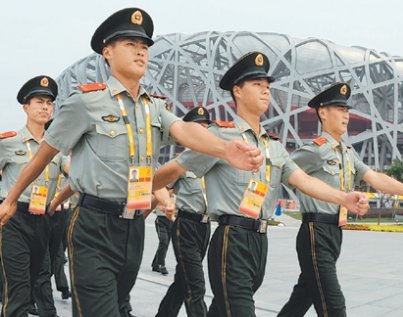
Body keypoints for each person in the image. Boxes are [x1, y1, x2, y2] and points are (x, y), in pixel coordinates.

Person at [0, 8, 263, 317]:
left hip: (133, 227)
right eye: (130, 43)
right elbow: (45, 154)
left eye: (145, 45)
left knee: (120, 306)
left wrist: (223, 149)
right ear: (107, 52)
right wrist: (12, 198)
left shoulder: (154, 108)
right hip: (92, 226)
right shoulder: (85, 102)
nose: (141, 50)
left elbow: (183, 129)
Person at [153, 51, 369, 317]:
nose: (266, 91)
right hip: (232, 240)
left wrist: (343, 198)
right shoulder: (221, 135)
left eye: (268, 86)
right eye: (257, 85)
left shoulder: (274, 146)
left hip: (260, 242)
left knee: (222, 311)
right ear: (238, 91)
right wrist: (143, 192)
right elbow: (173, 170)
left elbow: (303, 180)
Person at [277, 82, 403, 317]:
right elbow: (282, 168)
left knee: (302, 299)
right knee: (334, 304)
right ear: (322, 112)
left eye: (347, 110)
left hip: (334, 233)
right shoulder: (315, 151)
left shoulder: (347, 153)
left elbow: (375, 177)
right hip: (315, 232)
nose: (346, 115)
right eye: (339, 109)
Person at [0, 75, 68, 317]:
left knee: (31, 288)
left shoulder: (57, 148)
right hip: (13, 219)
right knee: (17, 291)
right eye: (39, 102)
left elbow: (75, 173)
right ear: (25, 107)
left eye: (49, 103)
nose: (45, 107)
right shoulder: (9, 143)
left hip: (43, 221)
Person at [155, 106, 213, 317]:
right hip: (185, 226)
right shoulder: (181, 163)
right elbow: (160, 186)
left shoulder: (212, 161)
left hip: (204, 227)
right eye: (199, 127)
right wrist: (162, 204)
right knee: (195, 285)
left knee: (183, 281)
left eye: (207, 127)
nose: (204, 132)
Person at [151, 187, 175, 275]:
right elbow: (155, 199)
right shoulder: (161, 189)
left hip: (171, 221)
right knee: (164, 241)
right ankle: (161, 264)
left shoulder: (179, 188)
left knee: (165, 244)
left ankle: (155, 263)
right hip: (161, 220)